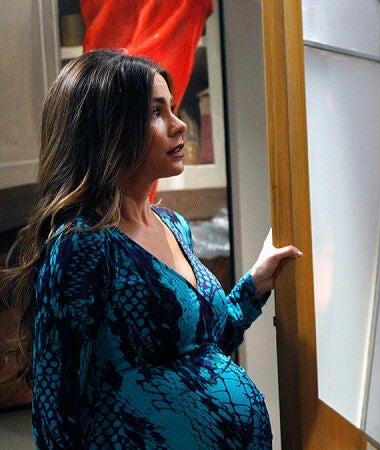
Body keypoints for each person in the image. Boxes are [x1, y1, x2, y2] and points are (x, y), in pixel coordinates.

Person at [0, 49, 301, 449]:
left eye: (172, 108)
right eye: (157, 112)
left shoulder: (173, 224)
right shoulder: (81, 246)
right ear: (109, 129)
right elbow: (56, 413)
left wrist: (256, 284)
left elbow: (203, 347)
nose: (179, 125)